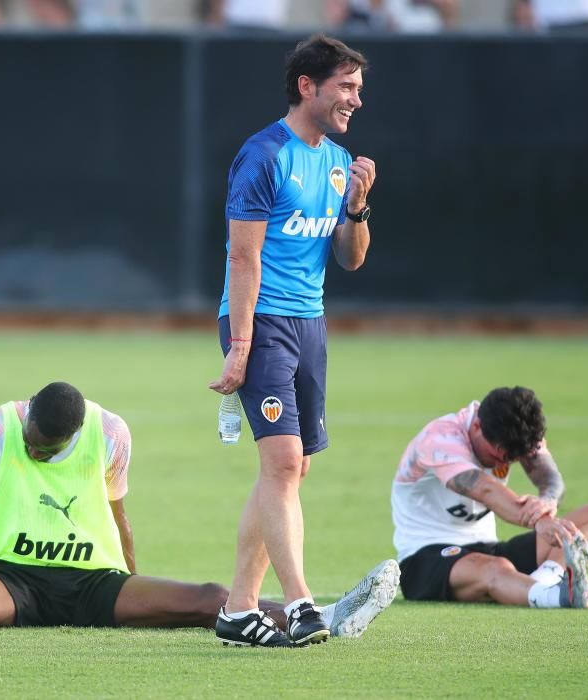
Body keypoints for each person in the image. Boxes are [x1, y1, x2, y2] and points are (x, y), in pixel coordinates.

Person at [0, 381, 399, 643]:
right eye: (31, 439)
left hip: (94, 583)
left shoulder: (110, 434)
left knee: (210, 595)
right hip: (14, 582)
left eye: (44, 450)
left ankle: (322, 613)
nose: (33, 449)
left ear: (72, 437)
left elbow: (119, 516)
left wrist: (131, 580)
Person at [209, 34, 377, 647]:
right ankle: (302, 605)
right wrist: (242, 343)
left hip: (310, 324)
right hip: (262, 323)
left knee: (293, 466)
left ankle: (237, 610)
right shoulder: (263, 155)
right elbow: (242, 255)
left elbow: (350, 259)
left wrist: (357, 206)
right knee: (281, 463)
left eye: (359, 89)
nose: (356, 100)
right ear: (307, 86)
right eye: (346, 87)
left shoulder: (338, 162)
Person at [391, 386, 588, 608]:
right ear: (478, 426)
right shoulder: (441, 439)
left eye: (511, 460)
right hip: (426, 560)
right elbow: (485, 489)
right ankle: (555, 597)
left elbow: (551, 479)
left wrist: (547, 501)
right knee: (496, 568)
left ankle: (542, 583)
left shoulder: (517, 433)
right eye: (498, 455)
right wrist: (539, 520)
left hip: (488, 550)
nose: (503, 464)